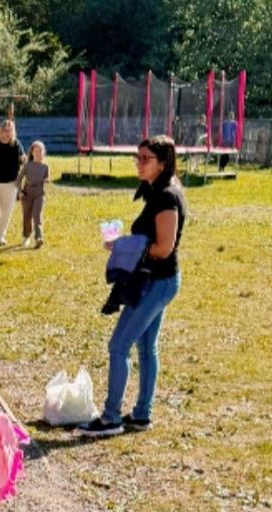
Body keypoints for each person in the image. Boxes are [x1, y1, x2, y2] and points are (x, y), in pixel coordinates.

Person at [81, 135, 187, 437]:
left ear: (163, 162)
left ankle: (111, 418)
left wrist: (124, 246)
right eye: (137, 157)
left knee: (118, 346)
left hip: (159, 282)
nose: (139, 164)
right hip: (154, 279)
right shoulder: (156, 191)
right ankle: (141, 415)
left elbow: (164, 247)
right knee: (146, 347)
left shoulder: (167, 196)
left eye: (145, 159)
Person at [19, 140, 49, 247]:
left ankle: (38, 238)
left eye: (40, 151)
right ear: (32, 152)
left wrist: (46, 181)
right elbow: (19, 179)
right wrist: (20, 192)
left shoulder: (45, 166)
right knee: (27, 216)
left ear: (43, 153)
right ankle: (26, 236)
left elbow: (46, 178)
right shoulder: (27, 165)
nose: (38, 153)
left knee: (37, 216)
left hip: (39, 193)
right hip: (27, 193)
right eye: (36, 151)